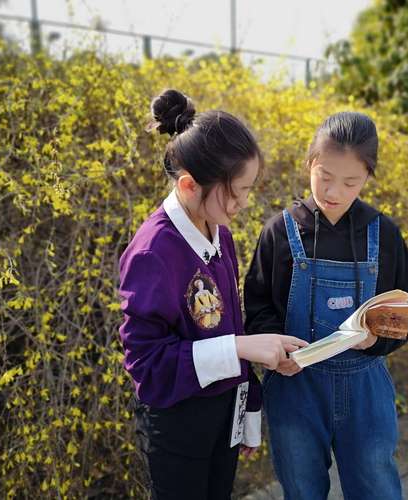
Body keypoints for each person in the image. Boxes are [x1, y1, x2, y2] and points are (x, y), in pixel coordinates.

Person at [118, 89, 307, 500]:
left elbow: (230, 325)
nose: (242, 203)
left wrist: (247, 409)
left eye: (247, 189)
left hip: (222, 418)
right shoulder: (154, 252)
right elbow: (147, 365)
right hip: (178, 427)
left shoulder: (219, 232)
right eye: (234, 192)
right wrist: (242, 347)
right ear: (188, 185)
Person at [244, 111, 408, 500]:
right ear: (310, 162)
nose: (334, 192)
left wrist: (377, 339)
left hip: (365, 385)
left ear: (367, 178)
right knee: (302, 489)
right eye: (324, 176)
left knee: (376, 488)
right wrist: (276, 351)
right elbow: (257, 305)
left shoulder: (383, 232)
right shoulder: (280, 231)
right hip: (296, 386)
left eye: (351, 182)